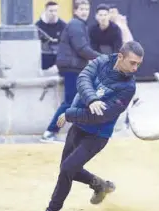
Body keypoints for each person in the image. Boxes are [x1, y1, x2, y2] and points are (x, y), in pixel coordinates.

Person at [37, 41, 144, 211]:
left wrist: (69, 114)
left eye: (138, 64)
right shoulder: (102, 61)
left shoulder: (128, 87)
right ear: (120, 57)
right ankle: (99, 184)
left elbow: (102, 116)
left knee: (68, 168)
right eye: (132, 63)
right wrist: (92, 98)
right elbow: (83, 79)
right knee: (67, 168)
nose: (135, 68)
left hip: (97, 135)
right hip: (78, 127)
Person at [40, 0, 101, 143]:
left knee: (82, 100)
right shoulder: (75, 25)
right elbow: (82, 48)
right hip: (71, 68)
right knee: (69, 102)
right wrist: (103, 58)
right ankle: (50, 132)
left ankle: (83, 133)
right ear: (75, 11)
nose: (85, 12)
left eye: (87, 9)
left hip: (75, 67)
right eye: (81, 9)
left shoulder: (79, 25)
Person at [35, 1, 67, 70]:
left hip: (58, 59)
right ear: (45, 11)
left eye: (55, 11)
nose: (54, 13)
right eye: (51, 11)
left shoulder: (63, 26)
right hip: (42, 58)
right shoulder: (38, 26)